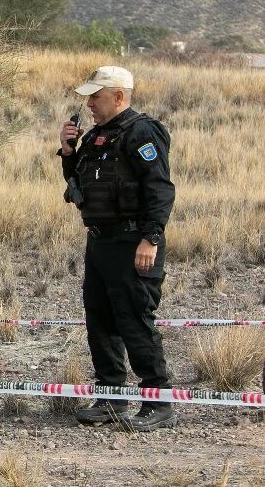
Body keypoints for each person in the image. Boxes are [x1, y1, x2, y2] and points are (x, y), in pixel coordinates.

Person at [58, 66, 176, 431]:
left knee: (134, 319)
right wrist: (67, 151)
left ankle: (158, 401)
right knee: (101, 318)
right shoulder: (97, 135)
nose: (90, 103)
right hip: (101, 241)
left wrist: (150, 238)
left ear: (119, 97)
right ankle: (112, 397)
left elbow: (160, 190)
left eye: (96, 96)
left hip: (132, 241)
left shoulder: (142, 131)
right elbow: (81, 183)